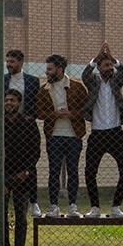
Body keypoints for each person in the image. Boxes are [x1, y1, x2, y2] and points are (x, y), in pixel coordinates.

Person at [81, 47, 123, 217]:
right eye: (106, 65)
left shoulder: (116, 81)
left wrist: (114, 59)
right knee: (90, 172)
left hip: (116, 133)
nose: (109, 68)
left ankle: (116, 207)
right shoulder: (94, 82)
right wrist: (95, 59)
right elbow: (85, 75)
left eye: (111, 65)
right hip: (97, 134)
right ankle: (95, 207)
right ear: (99, 68)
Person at [36, 55, 87, 217]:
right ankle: (54, 205)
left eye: (50, 69)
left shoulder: (77, 87)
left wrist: (72, 114)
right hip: (54, 136)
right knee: (54, 171)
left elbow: (86, 109)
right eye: (47, 69)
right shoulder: (44, 89)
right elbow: (39, 112)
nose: (47, 72)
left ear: (60, 69)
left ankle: (72, 205)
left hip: (74, 135)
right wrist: (55, 114)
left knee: (73, 171)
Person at [0, 88, 41, 246]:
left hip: (23, 177)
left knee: (21, 218)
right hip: (3, 177)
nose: (9, 103)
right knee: (1, 217)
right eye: (6, 100)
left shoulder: (29, 123)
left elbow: (35, 150)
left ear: (19, 103)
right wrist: (1, 176)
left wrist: (26, 171)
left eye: (12, 100)